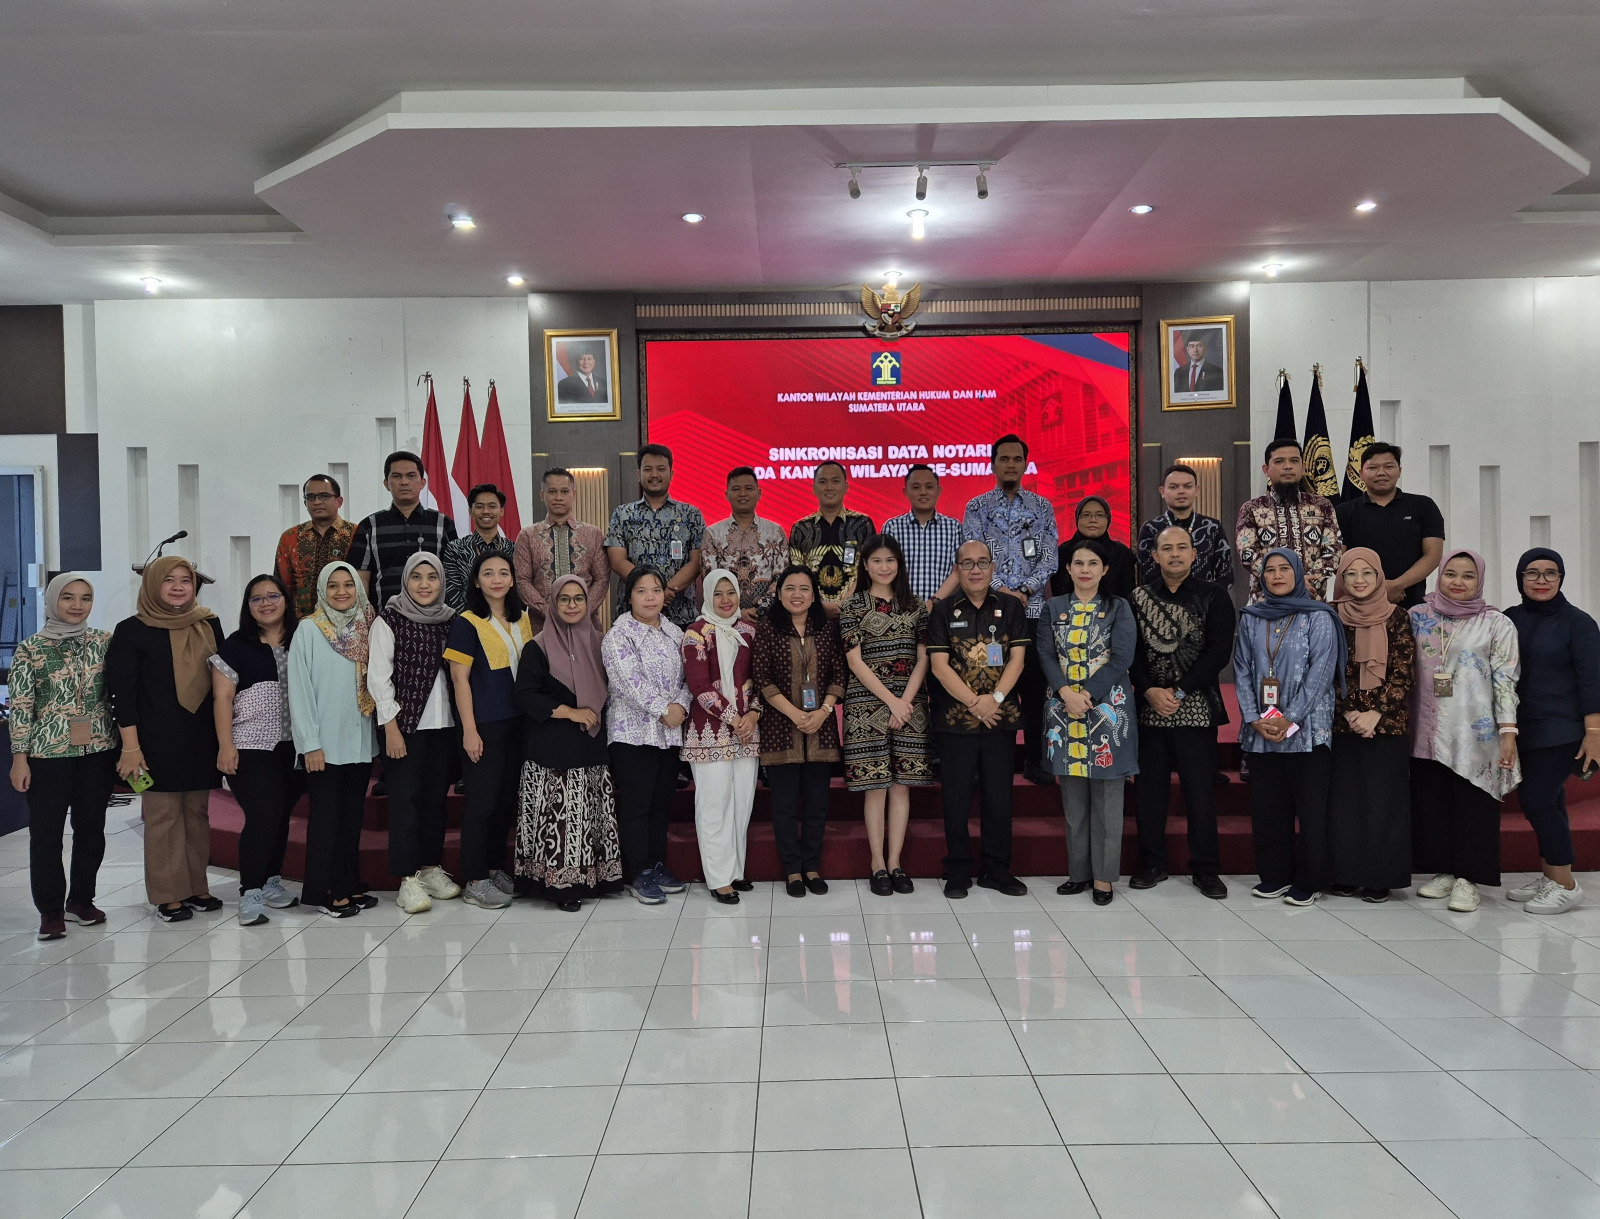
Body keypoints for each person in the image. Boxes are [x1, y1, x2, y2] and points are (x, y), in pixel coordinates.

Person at [107, 556, 226, 922]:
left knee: (196, 815)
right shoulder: (132, 630)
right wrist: (130, 747)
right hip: (152, 740)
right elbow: (122, 694)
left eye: (185, 580)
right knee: (163, 817)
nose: (178, 587)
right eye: (168, 580)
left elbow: (223, 681)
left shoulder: (208, 624)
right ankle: (167, 894)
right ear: (152, 585)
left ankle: (196, 885)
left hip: (199, 737)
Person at [1410, 549, 1521, 912]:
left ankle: (1469, 879)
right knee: (1432, 801)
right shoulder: (1417, 616)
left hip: (1475, 731)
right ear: (1439, 575)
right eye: (1451, 574)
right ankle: (1443, 871)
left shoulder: (1496, 624)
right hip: (1425, 727)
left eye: (1468, 576)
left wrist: (1508, 730)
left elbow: (1505, 678)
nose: (1457, 582)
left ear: (1480, 581)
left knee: (1473, 803)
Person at [8, 573, 117, 941]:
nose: (77, 605)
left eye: (85, 598)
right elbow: (22, 707)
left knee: (91, 831)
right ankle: (51, 910)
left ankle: (82, 900)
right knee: (46, 835)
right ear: (52, 600)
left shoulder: (104, 642)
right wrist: (19, 758)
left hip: (97, 751)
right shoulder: (30, 649)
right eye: (68, 597)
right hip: (47, 754)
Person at [1234, 549, 1345, 906]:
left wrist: (1290, 717)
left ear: (1298, 574)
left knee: (1310, 810)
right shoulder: (1251, 617)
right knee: (1268, 807)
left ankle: (1309, 880)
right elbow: (1241, 669)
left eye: (1285, 569)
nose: (1277, 575)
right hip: (1262, 730)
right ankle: (1275, 875)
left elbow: (1321, 673)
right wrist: (1254, 717)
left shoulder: (1319, 617)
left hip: (1307, 729)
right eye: (1270, 570)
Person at [1129, 527, 1235, 898]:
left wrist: (1180, 690)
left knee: (1200, 792)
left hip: (1197, 707)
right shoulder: (1138, 597)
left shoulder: (1213, 595)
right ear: (1154, 556)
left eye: (1182, 548)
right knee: (1150, 792)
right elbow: (1130, 653)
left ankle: (1206, 869)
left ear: (1194, 554)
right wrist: (1149, 690)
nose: (1174, 554)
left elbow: (1218, 652)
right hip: (1150, 708)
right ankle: (1152, 863)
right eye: (1167, 548)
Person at [927, 539, 1031, 898]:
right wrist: (975, 702)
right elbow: (939, 666)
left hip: (1000, 718)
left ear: (992, 568)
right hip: (955, 720)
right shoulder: (942, 610)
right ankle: (957, 869)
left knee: (999, 797)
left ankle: (996, 869)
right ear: (957, 570)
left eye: (982, 562)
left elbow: (1017, 659)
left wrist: (994, 700)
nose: (975, 569)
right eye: (967, 563)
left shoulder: (1010, 606)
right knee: (955, 798)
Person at [512, 574, 623, 911]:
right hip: (552, 751)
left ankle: (596, 877)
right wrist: (571, 713)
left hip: (591, 745)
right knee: (560, 817)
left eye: (578, 598)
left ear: (588, 603)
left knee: (589, 813)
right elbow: (525, 695)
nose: (572, 605)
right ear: (553, 604)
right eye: (564, 599)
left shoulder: (601, 644)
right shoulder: (537, 647)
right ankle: (561, 885)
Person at [1038, 538, 1138, 905]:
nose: (1085, 569)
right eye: (1078, 563)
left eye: (1092, 563)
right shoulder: (1053, 607)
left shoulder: (1119, 607)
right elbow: (1046, 654)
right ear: (1068, 568)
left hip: (1107, 712)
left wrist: (1088, 695)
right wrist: (1066, 692)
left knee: (1108, 804)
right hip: (1063, 711)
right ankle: (1078, 873)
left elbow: (1122, 658)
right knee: (1074, 802)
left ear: (1104, 569)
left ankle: (1103, 878)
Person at [369, 552, 465, 913]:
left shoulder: (451, 619)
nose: (425, 585)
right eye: (417, 577)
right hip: (404, 727)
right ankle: (407, 880)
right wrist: (391, 728)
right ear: (405, 581)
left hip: (444, 726)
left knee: (435, 802)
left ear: (442, 581)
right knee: (405, 803)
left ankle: (429, 868)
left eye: (432, 577)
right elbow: (378, 677)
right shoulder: (389, 619)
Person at [1503, 548, 1598, 915]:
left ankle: (1566, 885)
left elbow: (1592, 680)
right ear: (1520, 578)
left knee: (1537, 800)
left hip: (1562, 729)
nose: (1541, 580)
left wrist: (1594, 732)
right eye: (1532, 573)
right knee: (1552, 800)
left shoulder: (1579, 623)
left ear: (1561, 578)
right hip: (1523, 727)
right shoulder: (1509, 619)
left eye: (1550, 573)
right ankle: (1551, 876)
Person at [840, 536, 936, 896]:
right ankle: (877, 864)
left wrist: (904, 701)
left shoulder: (916, 606)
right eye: (877, 561)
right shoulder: (853, 605)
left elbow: (924, 657)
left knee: (900, 785)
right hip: (866, 705)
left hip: (910, 705)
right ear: (865, 565)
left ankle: (896, 862)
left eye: (890, 560)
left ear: (900, 563)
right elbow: (854, 661)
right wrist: (891, 702)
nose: (884, 567)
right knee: (876, 786)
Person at [961, 434, 1058, 784]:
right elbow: (973, 555)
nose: (1011, 464)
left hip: (1033, 612)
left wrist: (1026, 589)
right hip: (990, 611)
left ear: (1026, 464)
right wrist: (1002, 590)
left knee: (1034, 689)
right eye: (1004, 459)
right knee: (987, 686)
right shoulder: (977, 507)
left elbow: (1050, 556)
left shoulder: (1042, 506)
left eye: (1017, 459)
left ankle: (1036, 761)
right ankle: (987, 764)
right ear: (993, 464)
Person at [209, 574, 303, 926]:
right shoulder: (236, 645)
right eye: (257, 598)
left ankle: (271, 882)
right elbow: (222, 698)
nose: (266, 603)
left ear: (286, 600)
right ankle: (249, 891)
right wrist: (225, 746)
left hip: (294, 746)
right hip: (250, 745)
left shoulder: (301, 638)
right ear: (248, 606)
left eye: (273, 596)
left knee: (280, 816)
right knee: (263, 815)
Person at [447, 550, 537, 908]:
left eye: (503, 572)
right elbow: (460, 680)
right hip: (484, 725)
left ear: (513, 579)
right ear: (476, 580)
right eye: (488, 573)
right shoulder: (466, 622)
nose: (496, 579)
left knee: (504, 801)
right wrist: (469, 730)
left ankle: (495, 868)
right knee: (482, 803)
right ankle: (474, 879)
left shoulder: (522, 618)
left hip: (518, 724)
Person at [1327, 548, 1418, 902]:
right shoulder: (1331, 615)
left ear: (1379, 577)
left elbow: (1404, 672)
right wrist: (1349, 712)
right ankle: (1345, 873)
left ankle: (1381, 877)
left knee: (1383, 803)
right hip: (1342, 723)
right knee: (1344, 803)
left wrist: (1375, 713)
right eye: (1351, 573)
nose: (1359, 580)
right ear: (1341, 579)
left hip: (1387, 725)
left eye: (1367, 573)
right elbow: (1324, 670)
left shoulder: (1397, 616)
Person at [288, 562, 378, 918]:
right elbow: (299, 690)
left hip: (359, 741)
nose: (342, 592)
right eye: (333, 586)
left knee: (351, 818)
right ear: (322, 590)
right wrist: (309, 743)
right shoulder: (309, 629)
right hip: (323, 745)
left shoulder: (367, 625)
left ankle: (348, 883)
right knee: (326, 820)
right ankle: (324, 890)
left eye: (349, 584)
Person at [602, 566, 693, 904]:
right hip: (633, 734)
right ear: (629, 596)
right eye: (641, 591)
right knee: (637, 805)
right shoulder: (618, 636)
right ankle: (639, 871)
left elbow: (689, 677)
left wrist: (681, 706)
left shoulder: (675, 632)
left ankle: (657, 864)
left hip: (668, 734)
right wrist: (663, 709)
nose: (650, 597)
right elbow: (628, 681)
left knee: (661, 802)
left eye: (656, 590)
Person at [755, 565, 846, 898]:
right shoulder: (767, 628)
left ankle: (812, 867)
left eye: (804, 588)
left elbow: (839, 674)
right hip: (781, 728)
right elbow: (762, 678)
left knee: (817, 804)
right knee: (784, 807)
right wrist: (796, 714)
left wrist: (823, 711)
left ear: (814, 594)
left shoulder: (827, 628)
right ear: (779, 594)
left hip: (821, 729)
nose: (797, 595)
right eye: (789, 588)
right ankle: (793, 870)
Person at [682, 569, 761, 903]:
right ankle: (718, 877)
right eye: (718, 593)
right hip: (710, 732)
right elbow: (699, 686)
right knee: (715, 805)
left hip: (747, 732)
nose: (726, 600)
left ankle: (735, 870)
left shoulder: (749, 631)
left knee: (742, 804)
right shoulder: (696, 633)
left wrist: (752, 714)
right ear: (707, 596)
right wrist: (735, 718)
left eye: (731, 593)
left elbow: (762, 678)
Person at [605, 444, 705, 628]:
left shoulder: (691, 514)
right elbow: (617, 560)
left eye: (660, 469)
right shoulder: (622, 513)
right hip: (633, 616)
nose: (654, 475)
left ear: (671, 474)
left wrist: (666, 590)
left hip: (680, 615)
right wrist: (654, 591)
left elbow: (697, 561)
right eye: (648, 469)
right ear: (639, 474)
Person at [1333, 443, 1445, 607]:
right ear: (1361, 473)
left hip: (1411, 604)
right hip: (1359, 604)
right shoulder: (1343, 512)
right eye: (1373, 468)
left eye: (1389, 466)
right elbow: (1339, 560)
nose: (1381, 473)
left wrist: (1397, 585)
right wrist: (1376, 589)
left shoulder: (1423, 506)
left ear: (1399, 471)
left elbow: (1433, 555)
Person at [1236, 438, 1344, 602]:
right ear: (1266, 470)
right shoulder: (1252, 508)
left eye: (1294, 461)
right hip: (1266, 603)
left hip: (1311, 600)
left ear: (1303, 467)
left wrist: (1305, 583)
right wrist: (1292, 582)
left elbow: (1333, 552)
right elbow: (1247, 554)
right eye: (1279, 461)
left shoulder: (1322, 506)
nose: (1288, 466)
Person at [346, 450, 459, 605]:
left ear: (422, 483)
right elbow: (360, 579)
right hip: (385, 614)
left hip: (434, 616)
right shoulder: (369, 526)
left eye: (411, 476)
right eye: (397, 476)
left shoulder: (442, 523)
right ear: (386, 484)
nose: (404, 482)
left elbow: (453, 575)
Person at [514, 466, 610, 633]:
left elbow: (602, 579)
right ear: (542, 495)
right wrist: (547, 611)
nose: (558, 497)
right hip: (542, 627)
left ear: (574, 494)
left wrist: (582, 611)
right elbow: (522, 580)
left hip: (586, 626)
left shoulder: (593, 534)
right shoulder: (527, 536)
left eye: (564, 491)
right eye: (552, 491)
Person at [703, 466, 790, 622]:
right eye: (736, 489)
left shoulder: (776, 532)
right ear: (726, 495)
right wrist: (737, 612)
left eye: (748, 488)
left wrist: (760, 608)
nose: (742, 494)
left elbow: (782, 580)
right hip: (725, 619)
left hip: (768, 619)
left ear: (759, 493)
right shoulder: (712, 534)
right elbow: (711, 581)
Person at [789, 460, 876, 613]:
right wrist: (819, 605)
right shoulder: (801, 528)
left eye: (835, 481)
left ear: (846, 486)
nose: (829, 487)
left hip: (858, 612)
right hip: (811, 612)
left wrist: (845, 603)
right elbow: (796, 574)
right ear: (813, 488)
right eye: (823, 482)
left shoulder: (863, 524)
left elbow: (871, 569)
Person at [1135, 463, 1235, 588]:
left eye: (1187, 486)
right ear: (1162, 491)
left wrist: (1210, 596)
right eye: (1174, 487)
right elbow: (1147, 574)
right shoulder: (1151, 528)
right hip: (1161, 598)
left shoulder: (1212, 527)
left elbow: (1225, 574)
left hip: (1205, 598)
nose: (1181, 491)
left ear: (1196, 490)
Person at [275, 474, 355, 619]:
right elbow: (282, 588)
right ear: (305, 503)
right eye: (311, 497)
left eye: (324, 496)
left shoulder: (356, 534)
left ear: (339, 501)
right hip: (300, 623)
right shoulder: (290, 537)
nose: (317, 502)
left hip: (347, 623)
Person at [882, 464, 961, 608]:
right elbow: (884, 571)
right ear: (906, 492)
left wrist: (933, 603)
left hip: (944, 611)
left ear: (939, 490)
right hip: (900, 610)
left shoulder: (954, 527)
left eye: (929, 487)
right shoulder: (892, 527)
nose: (923, 492)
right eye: (916, 487)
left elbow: (958, 571)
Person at [442, 483, 516, 611]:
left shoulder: (514, 549)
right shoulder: (455, 549)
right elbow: (452, 592)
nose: (486, 511)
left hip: (507, 619)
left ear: (501, 511)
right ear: (470, 511)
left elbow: (519, 590)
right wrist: (473, 620)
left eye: (492, 506)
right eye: (480, 506)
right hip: (466, 619)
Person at [1054, 494, 1137, 600]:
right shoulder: (1063, 552)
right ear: (1077, 519)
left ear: (1108, 519)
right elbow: (1059, 594)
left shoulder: (1122, 554)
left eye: (1099, 515)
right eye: (1086, 515)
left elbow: (1127, 597)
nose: (1093, 520)